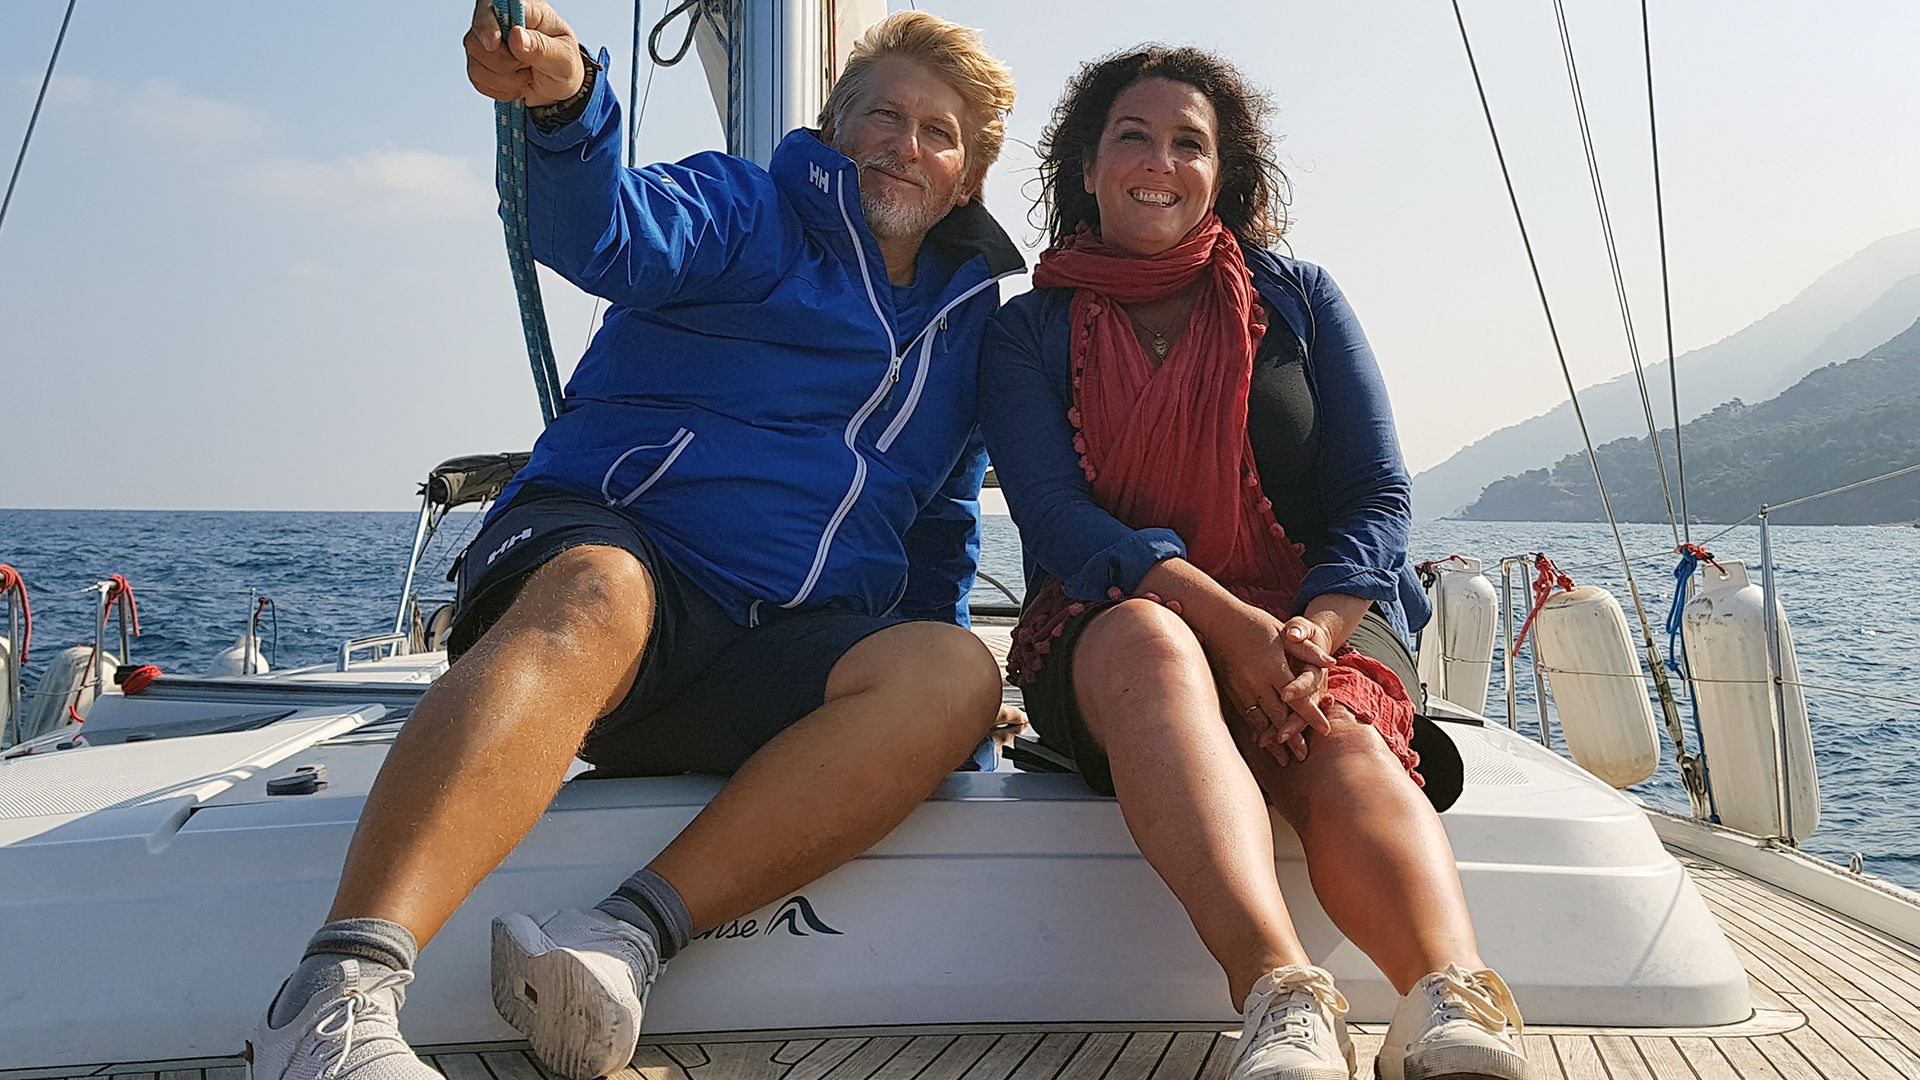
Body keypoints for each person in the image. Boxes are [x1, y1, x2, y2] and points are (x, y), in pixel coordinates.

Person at [245, 5, 1021, 1080]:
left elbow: (938, 533)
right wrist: (567, 106)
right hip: (610, 559)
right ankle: (334, 996)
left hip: (763, 652)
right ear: (836, 130)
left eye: (938, 133)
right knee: (603, 591)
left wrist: (951, 742)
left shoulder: (969, 330)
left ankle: (618, 939)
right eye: (883, 116)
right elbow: (603, 229)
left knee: (954, 670)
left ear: (967, 178)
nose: (906, 144)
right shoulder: (748, 210)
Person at [979, 48, 1530, 1080]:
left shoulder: (1301, 299)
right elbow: (1055, 522)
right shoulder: (1027, 331)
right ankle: (1283, 996)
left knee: (1337, 730)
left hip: (1317, 611)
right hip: (1113, 619)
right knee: (1152, 643)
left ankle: (1450, 999)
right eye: (1133, 138)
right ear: (1088, 169)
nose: (1161, 162)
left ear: (1221, 172)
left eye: (1189, 143)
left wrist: (1310, 633)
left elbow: (1377, 493)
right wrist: (1228, 626)